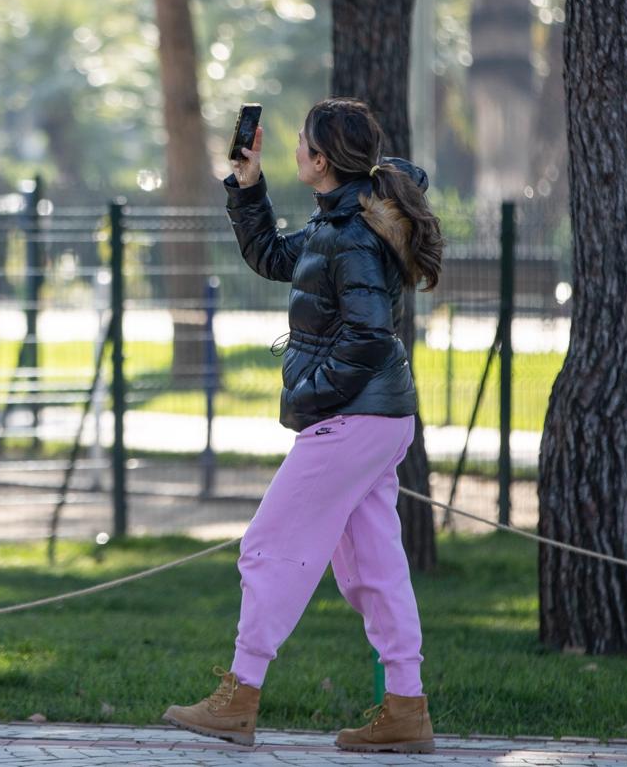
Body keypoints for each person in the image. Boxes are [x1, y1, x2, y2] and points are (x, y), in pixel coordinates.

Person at [161, 97, 444, 753]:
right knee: (374, 568)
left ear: (321, 160)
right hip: (377, 419)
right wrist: (247, 181)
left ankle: (240, 695)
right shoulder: (343, 222)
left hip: (352, 419)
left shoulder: (350, 234)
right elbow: (269, 255)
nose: (291, 149)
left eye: (299, 144)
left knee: (267, 546)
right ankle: (407, 707)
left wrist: (316, 394)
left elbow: (371, 334)